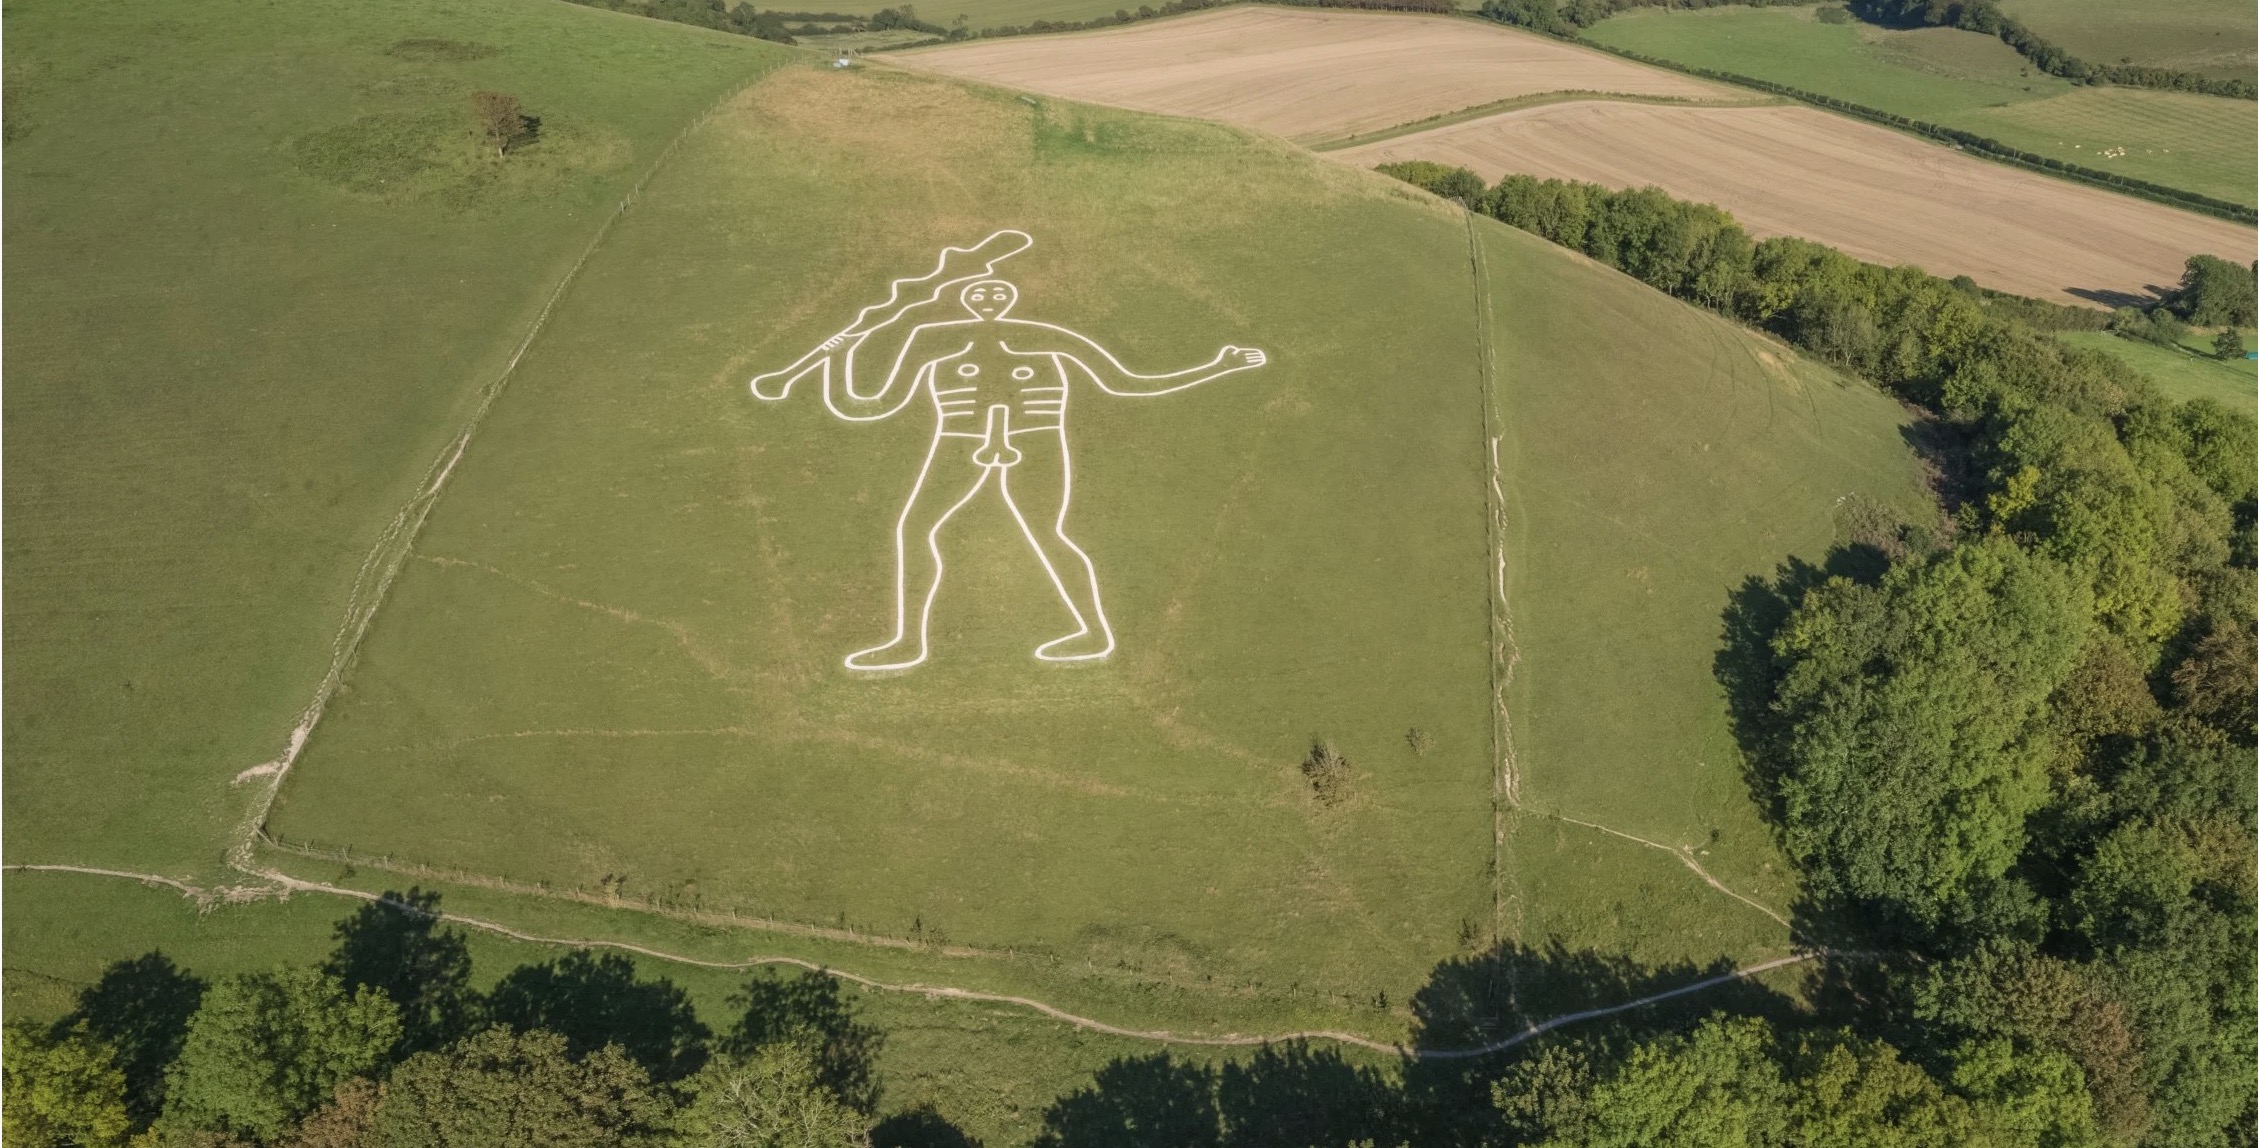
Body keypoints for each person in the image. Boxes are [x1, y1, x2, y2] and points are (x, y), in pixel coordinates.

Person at [751, 235, 1266, 670]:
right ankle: (908, 641)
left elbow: (1127, 383)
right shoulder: (932, 338)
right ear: (968, 299)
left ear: (1010, 295)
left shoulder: (1042, 336)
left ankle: (1090, 631)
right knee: (915, 528)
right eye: (981, 289)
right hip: (958, 441)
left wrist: (1218, 366)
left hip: (1035, 440)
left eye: (998, 287)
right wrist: (838, 360)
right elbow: (869, 406)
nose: (990, 294)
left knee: (1046, 532)